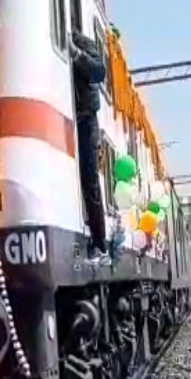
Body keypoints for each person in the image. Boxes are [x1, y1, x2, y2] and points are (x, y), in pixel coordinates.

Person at [70, 30, 108, 264]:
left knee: (90, 178)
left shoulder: (85, 43)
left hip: (86, 120)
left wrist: (76, 54)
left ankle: (100, 244)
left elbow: (99, 72)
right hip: (70, 116)